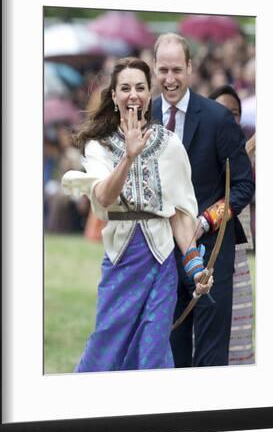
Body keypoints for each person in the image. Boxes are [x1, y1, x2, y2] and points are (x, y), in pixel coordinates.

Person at [62, 57, 213, 372]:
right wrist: (128, 157)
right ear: (114, 96)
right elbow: (103, 196)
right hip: (121, 259)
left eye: (140, 87)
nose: (134, 94)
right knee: (107, 340)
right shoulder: (98, 146)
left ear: (150, 93)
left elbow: (180, 215)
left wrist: (196, 267)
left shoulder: (170, 144)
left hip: (162, 262)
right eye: (126, 88)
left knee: (153, 348)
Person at [152, 34, 255, 367]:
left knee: (210, 359)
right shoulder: (143, 117)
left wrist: (206, 220)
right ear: (154, 69)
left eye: (177, 70)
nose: (170, 79)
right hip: (159, 254)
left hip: (210, 250)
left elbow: (242, 186)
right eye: (163, 70)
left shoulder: (217, 118)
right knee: (169, 353)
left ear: (190, 68)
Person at [209, 85, 255, 365]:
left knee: (238, 339)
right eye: (221, 113)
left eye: (234, 114)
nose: (228, 119)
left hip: (238, 262)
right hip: (205, 256)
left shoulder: (244, 158)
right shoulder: (202, 154)